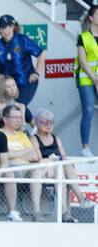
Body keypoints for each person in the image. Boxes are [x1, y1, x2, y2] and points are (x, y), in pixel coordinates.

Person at [0, 15, 41, 106]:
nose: (1, 30)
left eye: (4, 27)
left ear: (12, 27)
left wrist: (36, 72)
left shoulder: (22, 40)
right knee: (3, 105)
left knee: (19, 106)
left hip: (26, 82)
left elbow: (41, 54)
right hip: (9, 84)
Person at [77, 3, 98, 157]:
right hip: (86, 80)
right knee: (88, 111)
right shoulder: (83, 36)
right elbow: (83, 62)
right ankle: (85, 148)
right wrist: (95, 80)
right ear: (91, 17)